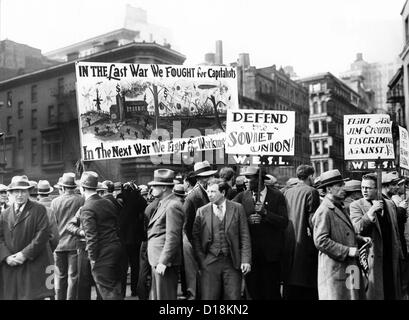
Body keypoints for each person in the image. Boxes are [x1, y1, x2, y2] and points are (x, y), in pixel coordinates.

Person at [312, 170, 370, 300]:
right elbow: (321, 241)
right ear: (329, 189)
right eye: (339, 185)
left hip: (350, 267)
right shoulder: (325, 211)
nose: (344, 188)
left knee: (354, 295)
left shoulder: (339, 207)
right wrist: (348, 251)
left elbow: (345, 233)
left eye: (342, 184)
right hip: (336, 269)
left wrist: (360, 239)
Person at [233, 166, 288, 300]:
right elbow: (232, 221)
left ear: (259, 180)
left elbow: (284, 222)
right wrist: (247, 220)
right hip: (251, 255)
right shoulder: (241, 197)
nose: (245, 181)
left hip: (271, 255)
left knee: (271, 292)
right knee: (252, 292)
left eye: (249, 178)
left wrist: (265, 213)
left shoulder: (277, 195)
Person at [192, 178, 251, 300]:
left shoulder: (237, 208)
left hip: (232, 261)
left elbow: (245, 235)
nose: (209, 194)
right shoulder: (202, 211)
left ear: (223, 193)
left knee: (233, 297)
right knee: (209, 297)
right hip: (209, 261)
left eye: (213, 191)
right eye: (208, 191)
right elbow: (196, 238)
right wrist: (202, 260)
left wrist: (246, 260)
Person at [350, 173, 403, 300]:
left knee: (391, 291)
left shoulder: (389, 204)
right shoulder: (357, 205)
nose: (364, 190)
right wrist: (370, 212)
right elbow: (357, 229)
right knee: (375, 293)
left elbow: (395, 230)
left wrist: (399, 252)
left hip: (390, 256)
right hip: (372, 258)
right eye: (363, 187)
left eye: (368, 188)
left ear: (377, 189)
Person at [0, 176, 54, 299]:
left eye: (23, 191)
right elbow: (0, 238)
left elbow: (42, 235)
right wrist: (6, 257)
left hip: (32, 264)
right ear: (11, 193)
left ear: (28, 192)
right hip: (11, 266)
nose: (20, 195)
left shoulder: (39, 209)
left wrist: (23, 255)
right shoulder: (5, 214)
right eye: (16, 191)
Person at [79, 171, 123, 300]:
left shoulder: (87, 208)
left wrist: (92, 258)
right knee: (114, 287)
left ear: (82, 188)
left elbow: (91, 236)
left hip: (102, 253)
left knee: (108, 291)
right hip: (115, 247)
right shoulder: (107, 202)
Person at [282, 165, 320, 300]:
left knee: (290, 285)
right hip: (304, 241)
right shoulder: (311, 192)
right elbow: (313, 220)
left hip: (289, 240)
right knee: (306, 283)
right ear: (310, 176)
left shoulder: (287, 192)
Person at [147, 169, 184, 300]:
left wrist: (164, 261)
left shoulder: (172, 205)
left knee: (164, 297)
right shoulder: (165, 203)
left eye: (154, 186)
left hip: (164, 262)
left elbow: (173, 236)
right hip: (158, 259)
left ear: (163, 187)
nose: (151, 188)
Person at [182, 161, 217, 299]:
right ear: (198, 179)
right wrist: (196, 245)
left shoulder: (210, 193)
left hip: (206, 241)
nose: (209, 179)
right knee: (194, 275)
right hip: (193, 241)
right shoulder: (193, 197)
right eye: (205, 176)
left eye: (209, 176)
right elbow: (187, 225)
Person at [51, 172, 84, 300]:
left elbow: (53, 224)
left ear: (63, 187)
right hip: (75, 244)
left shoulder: (55, 202)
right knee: (73, 277)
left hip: (59, 245)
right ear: (74, 187)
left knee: (60, 276)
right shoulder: (81, 200)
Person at [37, 180, 59, 252]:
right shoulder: (55, 204)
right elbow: (55, 237)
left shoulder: (34, 208)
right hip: (50, 248)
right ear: (49, 192)